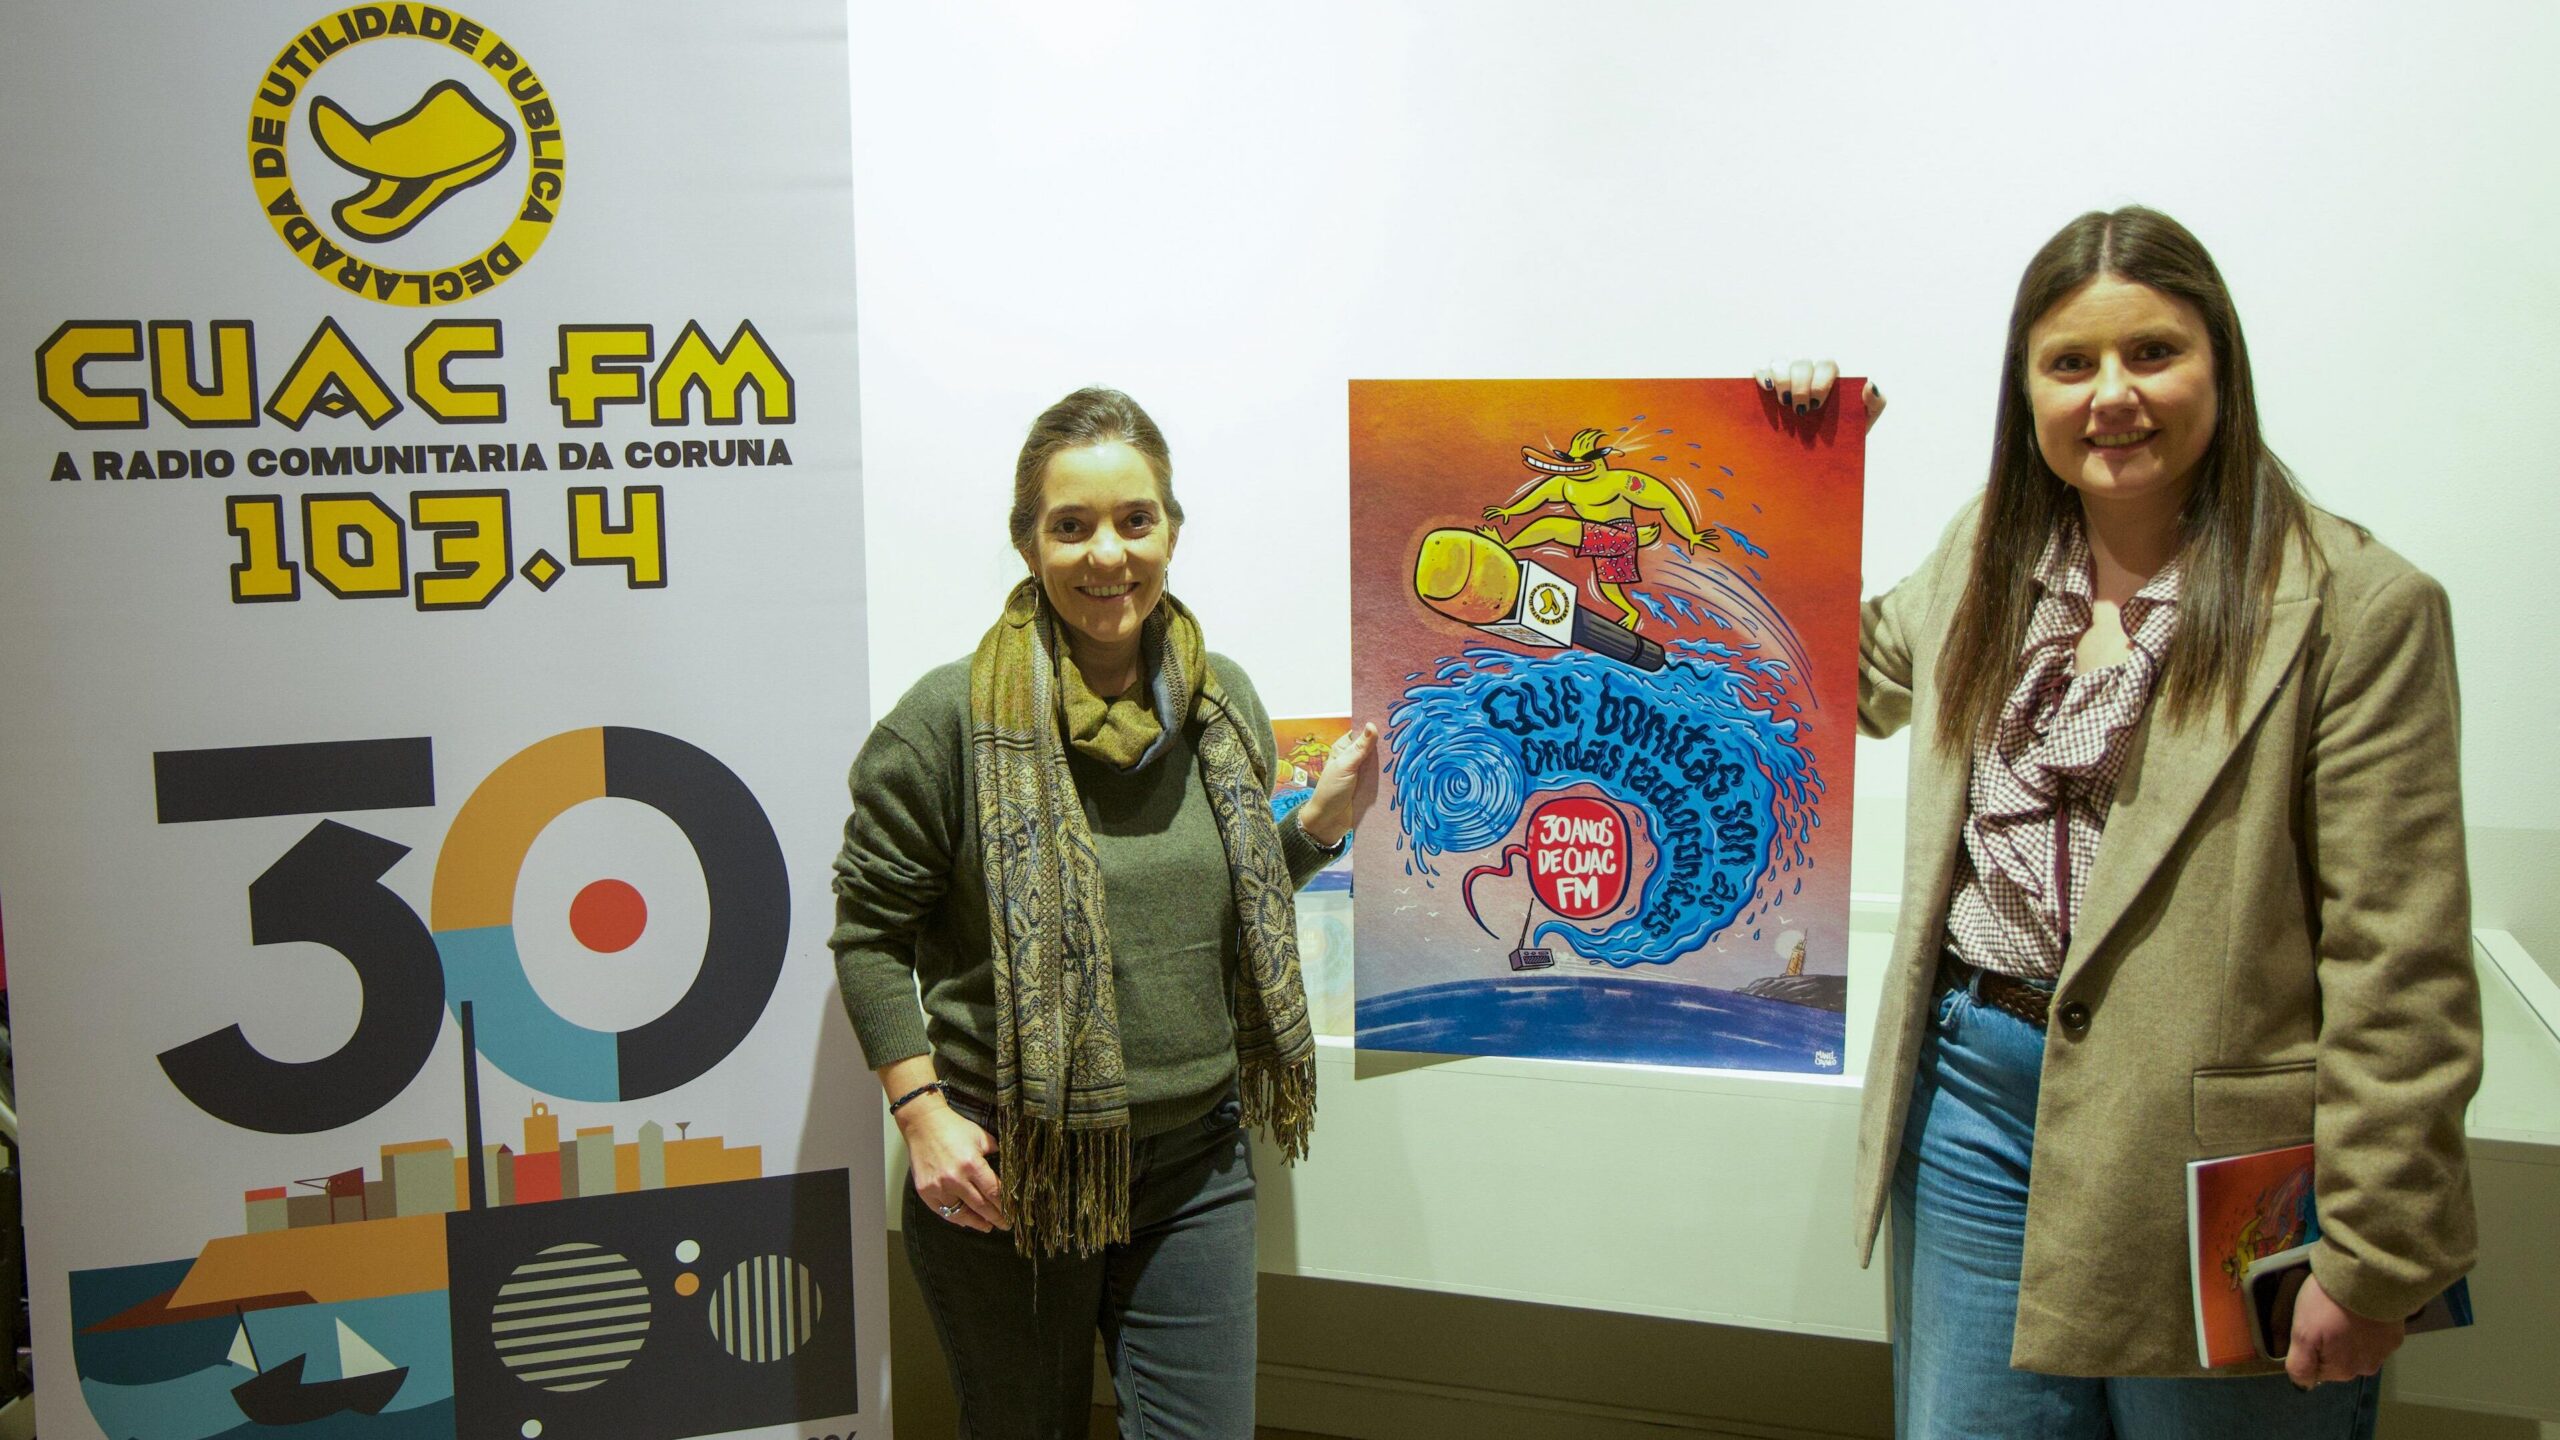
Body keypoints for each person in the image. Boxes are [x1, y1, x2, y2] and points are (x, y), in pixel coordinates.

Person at [1810, 206, 2480, 1438]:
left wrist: (2377, 1252)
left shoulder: (2356, 608)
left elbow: (2400, 966)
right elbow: (1814, 680)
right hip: (1970, 1110)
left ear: (2219, 365)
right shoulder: (1982, 560)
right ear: (2027, 395)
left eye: (2152, 353)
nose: (2111, 394)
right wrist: (1783, 462)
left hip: (2217, 1158)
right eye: (2070, 364)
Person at [829, 385, 1381, 1440]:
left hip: (1195, 1164)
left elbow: (1220, 902)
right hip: (1009, 1173)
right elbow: (867, 933)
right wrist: (921, 1112)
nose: (1106, 555)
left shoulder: (1225, 706)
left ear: (1170, 529)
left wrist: (1310, 829)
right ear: (1028, 545)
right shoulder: (945, 722)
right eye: (1070, 526)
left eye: (1135, 519)